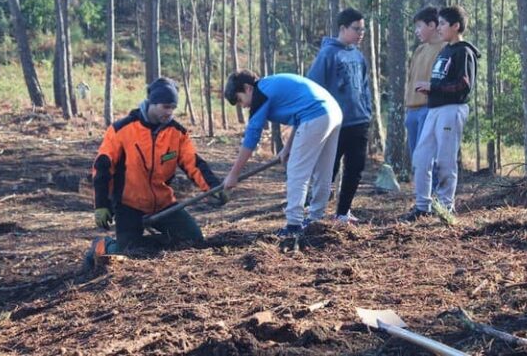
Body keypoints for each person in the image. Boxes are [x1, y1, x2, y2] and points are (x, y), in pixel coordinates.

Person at [85, 78, 220, 265]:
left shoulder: (177, 133)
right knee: (130, 253)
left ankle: (154, 245)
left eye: (173, 107)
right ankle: (104, 246)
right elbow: (102, 166)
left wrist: (214, 187)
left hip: (163, 203)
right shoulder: (121, 130)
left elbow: (193, 163)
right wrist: (101, 204)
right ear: (152, 103)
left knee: (193, 240)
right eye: (166, 107)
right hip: (129, 205)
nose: (170, 112)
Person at [222, 71, 342, 237]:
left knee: (296, 171)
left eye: (240, 100)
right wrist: (287, 148)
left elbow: (252, 137)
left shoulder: (260, 93)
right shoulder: (270, 85)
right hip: (332, 112)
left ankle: (293, 225)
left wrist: (233, 174)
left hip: (316, 114)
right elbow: (299, 115)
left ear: (248, 88)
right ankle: (316, 218)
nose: (243, 106)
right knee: (323, 171)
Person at [401, 5, 480, 221]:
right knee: (421, 157)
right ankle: (422, 206)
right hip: (434, 109)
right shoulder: (445, 51)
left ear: (456, 26)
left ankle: (446, 206)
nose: (440, 28)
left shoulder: (463, 51)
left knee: (445, 159)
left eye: (444, 24)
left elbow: (464, 86)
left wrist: (432, 87)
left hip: (451, 109)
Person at [306, 8, 372, 224]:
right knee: (328, 170)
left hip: (359, 121)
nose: (361, 33)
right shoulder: (328, 54)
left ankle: (343, 212)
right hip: (335, 124)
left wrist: (367, 111)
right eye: (357, 29)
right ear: (343, 28)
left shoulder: (358, 55)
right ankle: (316, 213)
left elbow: (364, 86)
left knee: (355, 169)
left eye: (363, 29)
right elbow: (313, 87)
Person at [404, 6, 446, 187]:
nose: (416, 31)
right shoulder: (420, 50)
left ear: (432, 25)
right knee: (417, 159)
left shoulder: (446, 48)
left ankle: (435, 198)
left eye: (419, 26)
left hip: (430, 108)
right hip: (412, 110)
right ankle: (422, 199)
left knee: (429, 158)